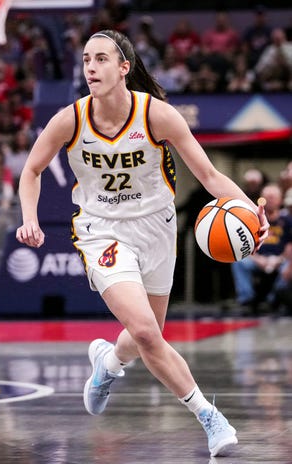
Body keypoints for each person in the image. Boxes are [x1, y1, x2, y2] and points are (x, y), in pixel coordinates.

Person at [15, 29, 269, 458]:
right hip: (102, 231)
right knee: (148, 333)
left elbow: (209, 177)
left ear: (124, 68)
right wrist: (28, 218)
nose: (90, 68)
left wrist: (249, 209)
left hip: (156, 228)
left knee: (147, 333)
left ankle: (109, 364)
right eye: (86, 60)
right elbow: (31, 171)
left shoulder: (157, 115)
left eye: (100, 59)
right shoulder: (70, 120)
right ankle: (209, 415)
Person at [231, 183, 292, 315]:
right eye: (267, 197)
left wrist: (279, 260)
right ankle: (246, 300)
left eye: (273, 197)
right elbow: (245, 244)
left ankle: (273, 300)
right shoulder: (253, 219)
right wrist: (259, 260)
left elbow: (289, 246)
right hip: (257, 258)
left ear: (280, 200)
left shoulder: (287, 220)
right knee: (239, 262)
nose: (270, 200)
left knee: (289, 266)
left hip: (280, 259)